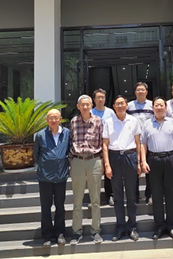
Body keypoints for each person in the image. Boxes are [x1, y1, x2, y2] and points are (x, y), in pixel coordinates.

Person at [140, 97, 173, 240]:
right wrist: (143, 161)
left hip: (170, 159)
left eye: (161, 105)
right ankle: (159, 226)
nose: (159, 108)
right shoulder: (147, 124)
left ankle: (171, 225)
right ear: (153, 108)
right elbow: (143, 144)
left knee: (170, 193)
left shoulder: (172, 122)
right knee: (156, 194)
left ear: (165, 107)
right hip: (154, 160)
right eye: (156, 105)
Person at [103, 95, 142, 242]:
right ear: (113, 106)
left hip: (130, 157)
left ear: (126, 105)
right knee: (117, 196)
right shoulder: (108, 122)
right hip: (114, 158)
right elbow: (105, 145)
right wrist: (107, 165)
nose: (120, 106)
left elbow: (138, 143)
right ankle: (120, 227)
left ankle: (132, 227)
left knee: (131, 195)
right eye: (117, 104)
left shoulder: (133, 120)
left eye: (122, 103)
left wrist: (139, 162)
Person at [69, 95, 104, 245]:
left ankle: (95, 230)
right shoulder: (73, 122)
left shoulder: (98, 121)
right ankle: (77, 231)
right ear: (78, 106)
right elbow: (70, 141)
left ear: (91, 106)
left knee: (95, 199)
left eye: (87, 104)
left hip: (94, 160)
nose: (85, 107)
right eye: (82, 105)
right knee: (77, 199)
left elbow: (103, 141)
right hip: (78, 160)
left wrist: (103, 162)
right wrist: (71, 162)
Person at [33, 109, 70, 246]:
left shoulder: (67, 133)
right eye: (50, 118)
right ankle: (47, 236)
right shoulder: (40, 135)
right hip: (45, 177)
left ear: (60, 119)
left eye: (56, 117)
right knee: (46, 207)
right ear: (47, 120)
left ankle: (60, 234)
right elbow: (36, 155)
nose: (53, 120)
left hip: (61, 176)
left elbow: (69, 150)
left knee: (60, 206)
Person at [126, 82, 154, 204]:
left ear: (146, 92)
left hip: (149, 141)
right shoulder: (129, 106)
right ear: (135, 92)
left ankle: (150, 195)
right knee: (134, 170)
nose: (140, 92)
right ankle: (135, 196)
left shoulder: (152, 105)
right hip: (134, 141)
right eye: (138, 90)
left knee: (150, 170)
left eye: (143, 89)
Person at [91, 88, 117, 206]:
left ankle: (110, 195)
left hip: (108, 145)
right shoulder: (90, 112)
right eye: (98, 97)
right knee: (94, 173)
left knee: (109, 171)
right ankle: (94, 197)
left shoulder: (111, 112)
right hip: (94, 146)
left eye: (102, 97)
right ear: (94, 99)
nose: (100, 99)